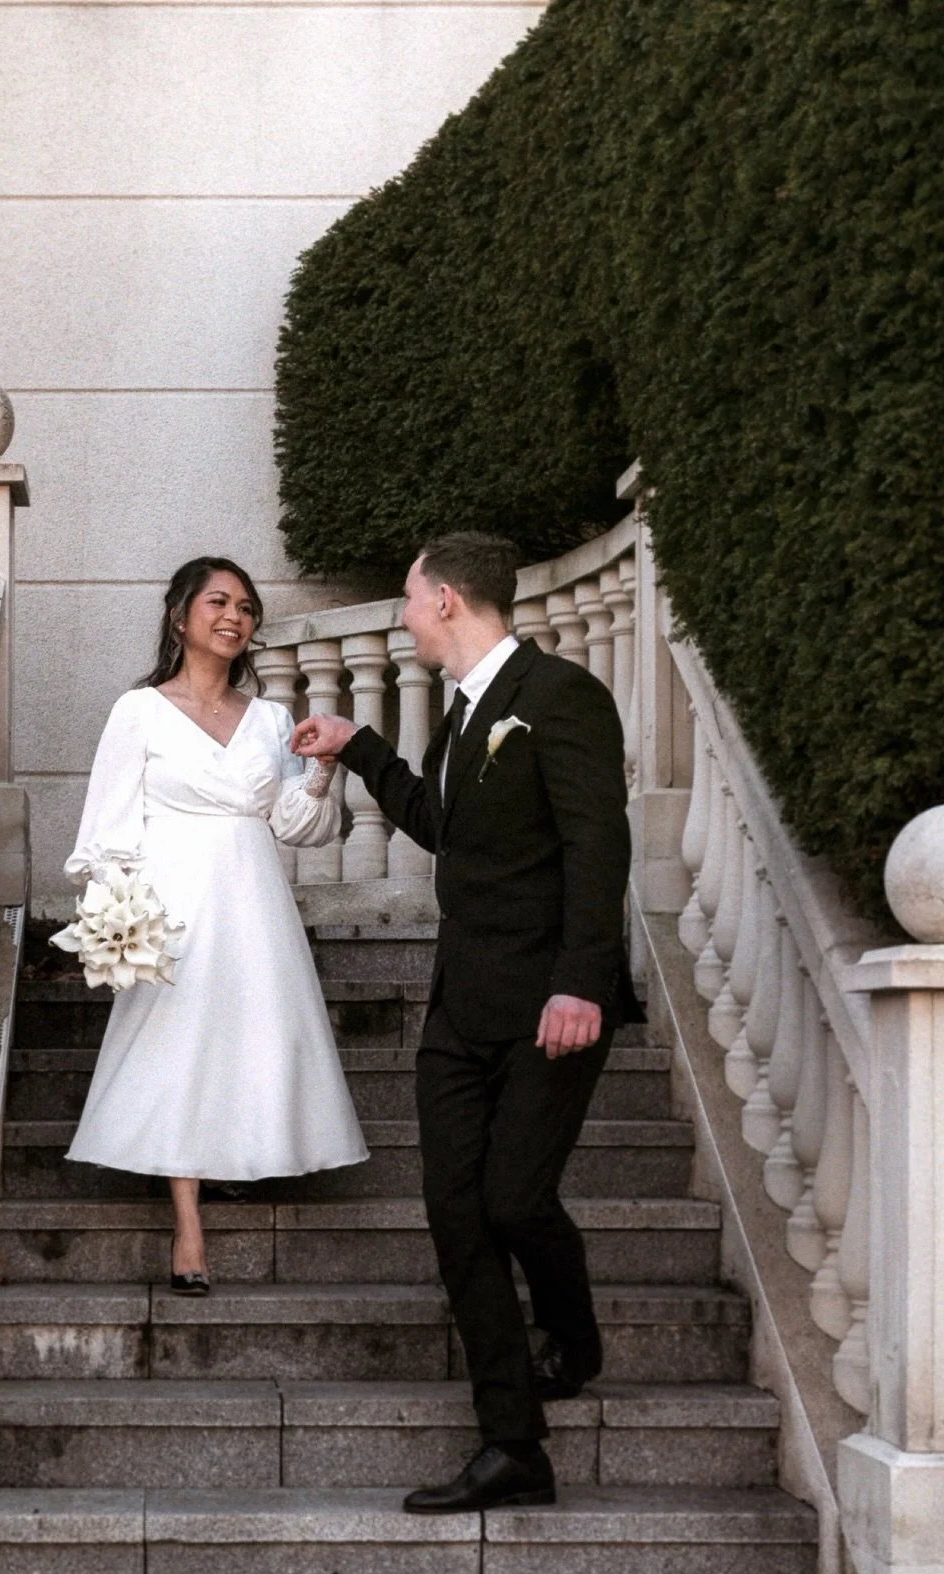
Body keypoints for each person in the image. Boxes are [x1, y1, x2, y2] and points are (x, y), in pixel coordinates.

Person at [292, 531, 642, 1511]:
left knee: (514, 1201)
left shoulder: (560, 698)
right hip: (460, 1007)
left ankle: (570, 1338)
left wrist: (583, 979)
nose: (402, 615)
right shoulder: (462, 712)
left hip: (548, 1005)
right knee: (456, 1212)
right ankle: (512, 1444)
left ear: (447, 599)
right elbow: (445, 826)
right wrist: (357, 747)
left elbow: (596, 842)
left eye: (408, 598)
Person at [63, 556, 368, 1292]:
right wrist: (123, 916)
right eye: (219, 602)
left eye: (247, 607)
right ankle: (188, 1225)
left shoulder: (268, 718)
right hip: (173, 900)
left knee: (251, 1037)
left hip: (254, 896)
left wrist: (323, 767)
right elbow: (107, 827)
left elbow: (297, 825)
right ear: (181, 617)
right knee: (177, 1048)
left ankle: (241, 1153)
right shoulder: (137, 710)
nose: (235, 616)